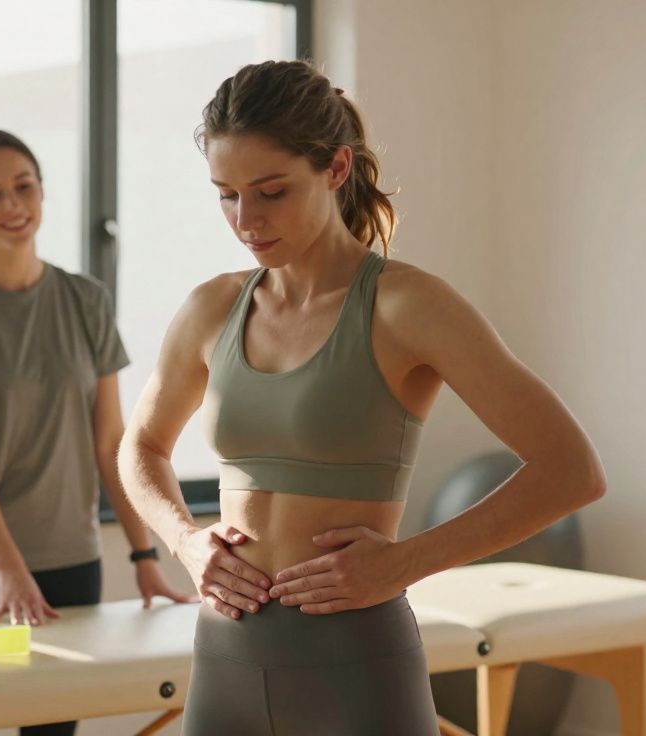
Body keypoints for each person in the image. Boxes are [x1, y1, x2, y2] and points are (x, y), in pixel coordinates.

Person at [118, 61, 607, 735]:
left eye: (270, 191)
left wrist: (406, 562)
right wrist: (185, 541)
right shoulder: (212, 308)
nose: (246, 219)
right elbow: (141, 447)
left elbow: (571, 470)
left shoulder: (409, 306)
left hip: (355, 668)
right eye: (226, 195)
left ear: (337, 168)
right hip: (225, 662)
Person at [0, 130, 193, 736]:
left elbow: (111, 443)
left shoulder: (85, 300)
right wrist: (7, 569)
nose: (13, 206)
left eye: (24, 187)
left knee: (51, 732)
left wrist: (143, 555)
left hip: (68, 570)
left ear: (42, 192)